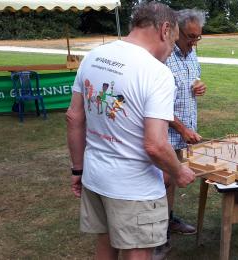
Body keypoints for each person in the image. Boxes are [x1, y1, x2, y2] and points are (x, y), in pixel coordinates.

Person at [66, 3, 195, 260]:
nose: (171, 52)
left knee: (106, 244)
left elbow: (73, 117)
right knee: (137, 252)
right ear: (165, 29)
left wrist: (78, 170)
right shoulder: (157, 73)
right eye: (172, 43)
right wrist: (178, 171)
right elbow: (155, 145)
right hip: (134, 187)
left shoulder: (94, 56)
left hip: (95, 177)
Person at [155, 9, 206, 256]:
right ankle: (157, 234)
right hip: (165, 131)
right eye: (190, 37)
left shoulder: (193, 53)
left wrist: (199, 86)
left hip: (186, 131)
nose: (194, 42)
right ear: (176, 31)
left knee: (172, 181)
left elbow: (194, 78)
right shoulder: (164, 56)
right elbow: (156, 105)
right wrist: (182, 128)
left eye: (198, 37)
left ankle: (168, 220)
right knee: (160, 182)